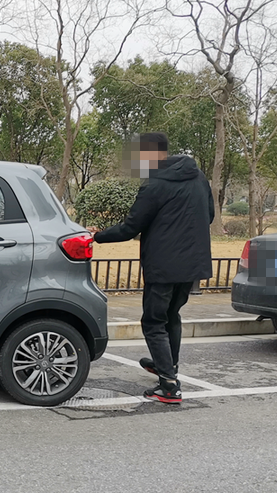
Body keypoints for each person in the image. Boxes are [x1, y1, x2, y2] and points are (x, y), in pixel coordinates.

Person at [91, 132, 214, 405]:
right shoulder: (198, 177)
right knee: (172, 316)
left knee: (153, 322)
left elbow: (130, 228)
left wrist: (96, 236)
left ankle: (169, 386)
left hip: (163, 265)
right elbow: (210, 215)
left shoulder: (155, 185)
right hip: (193, 263)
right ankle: (167, 367)